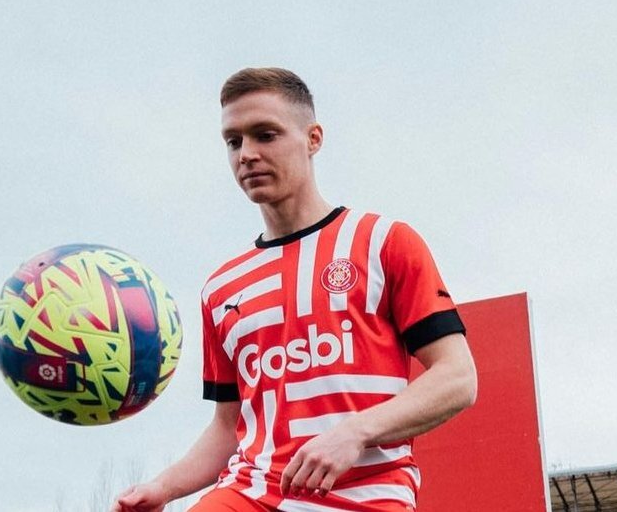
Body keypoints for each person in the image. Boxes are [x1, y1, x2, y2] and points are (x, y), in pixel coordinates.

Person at [113, 68, 477, 512]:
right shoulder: (221, 288)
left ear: (313, 139)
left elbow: (457, 378)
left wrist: (356, 431)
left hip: (365, 496)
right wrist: (164, 487)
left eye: (265, 135)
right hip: (250, 491)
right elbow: (229, 427)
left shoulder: (383, 242)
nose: (247, 154)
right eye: (233, 141)